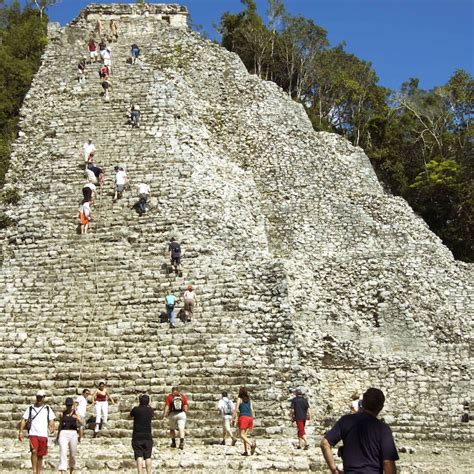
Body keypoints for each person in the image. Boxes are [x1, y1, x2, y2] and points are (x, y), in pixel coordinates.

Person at [320, 388, 399, 474]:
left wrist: (334, 470)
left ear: (363, 403)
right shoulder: (383, 429)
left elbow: (325, 443)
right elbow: (388, 462)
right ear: (381, 407)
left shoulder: (346, 421)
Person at [18, 390, 56, 474]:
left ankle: (39, 472)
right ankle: (34, 471)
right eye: (37, 397)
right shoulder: (30, 408)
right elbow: (24, 419)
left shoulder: (47, 408)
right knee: (34, 451)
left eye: (40, 397)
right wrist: (20, 432)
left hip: (43, 434)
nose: (39, 398)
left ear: (44, 398)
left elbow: (51, 419)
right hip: (33, 433)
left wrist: (52, 426)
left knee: (40, 455)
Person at [129, 394, 154, 474]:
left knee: (139, 456)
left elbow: (129, 416)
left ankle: (140, 472)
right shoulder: (150, 410)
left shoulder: (136, 409)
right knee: (148, 457)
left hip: (137, 435)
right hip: (147, 435)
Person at [56, 397, 81, 474]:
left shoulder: (76, 413)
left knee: (72, 453)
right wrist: (57, 435)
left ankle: (72, 468)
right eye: (67, 405)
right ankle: (62, 470)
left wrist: (77, 418)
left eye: (70, 405)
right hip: (63, 433)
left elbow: (81, 423)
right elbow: (60, 425)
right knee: (63, 451)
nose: (69, 407)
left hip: (73, 433)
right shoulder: (62, 413)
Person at [232, 387, 256, 456]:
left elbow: (236, 409)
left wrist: (233, 418)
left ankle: (251, 445)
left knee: (241, 435)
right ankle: (246, 451)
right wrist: (252, 418)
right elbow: (251, 409)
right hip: (249, 418)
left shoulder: (240, 399)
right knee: (245, 435)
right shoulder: (249, 400)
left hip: (243, 417)